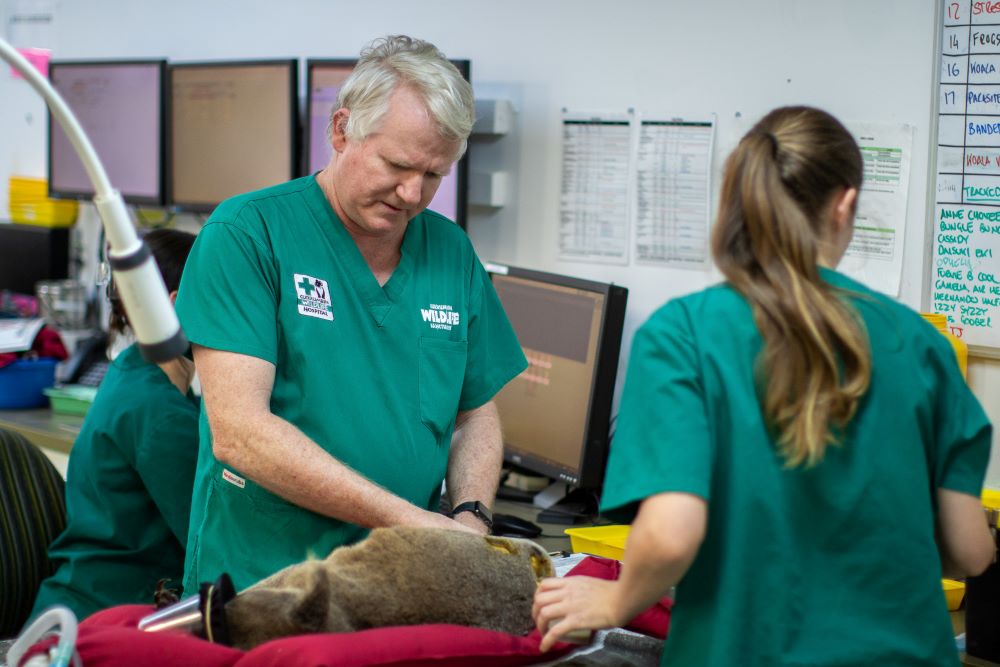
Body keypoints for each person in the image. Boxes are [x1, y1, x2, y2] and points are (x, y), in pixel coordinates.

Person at [533, 106, 997, 665]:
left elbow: (672, 535)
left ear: (741, 200)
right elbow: (968, 552)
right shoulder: (921, 345)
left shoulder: (683, 335)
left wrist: (615, 601)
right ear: (845, 204)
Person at [175, 35, 527, 592]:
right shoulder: (248, 234)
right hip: (267, 580)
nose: (412, 193)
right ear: (341, 131)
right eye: (397, 164)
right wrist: (412, 521)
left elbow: (474, 414)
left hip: (398, 579)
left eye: (434, 175)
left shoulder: (450, 252)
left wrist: (470, 517)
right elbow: (239, 434)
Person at [30, 229, 199, 622]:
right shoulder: (160, 414)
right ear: (176, 308)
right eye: (218, 296)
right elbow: (210, 539)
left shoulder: (132, 371)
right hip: (108, 619)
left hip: (82, 603)